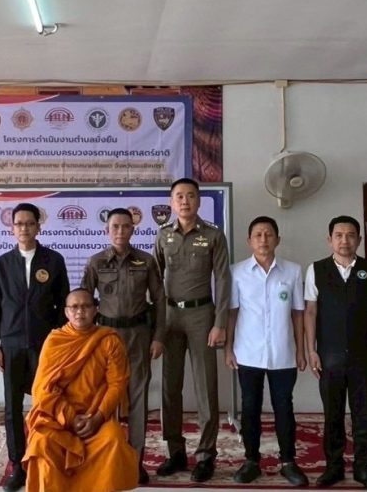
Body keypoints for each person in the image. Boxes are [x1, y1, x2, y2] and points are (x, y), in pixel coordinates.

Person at [21, 288, 139, 492]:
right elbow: (43, 389)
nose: (80, 312)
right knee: (41, 442)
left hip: (96, 416)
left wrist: (98, 418)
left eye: (86, 306)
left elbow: (117, 384)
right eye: (74, 307)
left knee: (113, 439)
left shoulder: (109, 340)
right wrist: (71, 418)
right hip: (57, 417)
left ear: (95, 310)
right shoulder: (55, 341)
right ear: (66, 312)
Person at [153, 177, 231, 483]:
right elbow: (155, 281)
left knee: (206, 387)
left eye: (190, 196)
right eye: (179, 196)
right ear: (172, 203)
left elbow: (223, 279)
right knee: (170, 387)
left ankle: (206, 454)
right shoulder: (163, 235)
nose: (185, 201)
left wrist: (220, 322)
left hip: (202, 316)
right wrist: (156, 325)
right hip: (170, 316)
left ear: (199, 200)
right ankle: (175, 452)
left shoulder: (213, 235)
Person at [0, 202, 70, 491]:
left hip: (44, 345)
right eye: (18, 223)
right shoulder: (3, 263)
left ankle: (46, 457)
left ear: (38, 227)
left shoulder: (54, 260)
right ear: (12, 228)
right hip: (11, 344)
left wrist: (58, 341)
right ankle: (18, 465)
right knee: (12, 408)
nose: (24, 228)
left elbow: (64, 306)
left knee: (47, 404)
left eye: (29, 223)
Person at [80, 207, 166, 484]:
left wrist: (158, 336)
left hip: (139, 335)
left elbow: (160, 300)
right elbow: (83, 302)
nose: (120, 231)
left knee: (138, 398)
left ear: (133, 229)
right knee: (105, 399)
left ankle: (135, 461)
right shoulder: (96, 262)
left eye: (125, 226)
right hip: (105, 337)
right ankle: (107, 456)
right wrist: (84, 340)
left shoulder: (146, 261)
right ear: (107, 230)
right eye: (115, 226)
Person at [303, 215, 367, 492]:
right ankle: (333, 466)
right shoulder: (316, 270)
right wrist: (311, 350)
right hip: (329, 355)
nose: (344, 240)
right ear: (329, 240)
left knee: (363, 415)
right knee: (333, 414)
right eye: (338, 235)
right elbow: (311, 312)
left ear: (359, 240)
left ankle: (363, 468)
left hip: (365, 355)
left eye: (350, 235)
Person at [224, 216, 309, 486]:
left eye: (269, 234)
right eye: (258, 235)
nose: (263, 239)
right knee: (250, 407)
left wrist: (301, 350)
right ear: (249, 241)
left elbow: (298, 313)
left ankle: (288, 462)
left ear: (278, 239)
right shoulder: (237, 272)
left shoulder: (292, 271)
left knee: (284, 406)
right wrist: (228, 348)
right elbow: (232, 313)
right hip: (248, 352)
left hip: (283, 352)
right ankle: (251, 461)